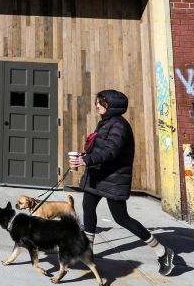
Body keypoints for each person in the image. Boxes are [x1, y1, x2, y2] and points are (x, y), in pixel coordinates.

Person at [69, 89, 175, 276]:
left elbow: (111, 152)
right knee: (88, 208)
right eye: (97, 102)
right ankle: (87, 252)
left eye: (101, 103)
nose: (97, 106)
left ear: (112, 105)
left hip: (113, 179)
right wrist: (84, 156)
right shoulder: (106, 123)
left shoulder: (119, 125)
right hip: (99, 176)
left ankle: (162, 251)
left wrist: (86, 160)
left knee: (121, 218)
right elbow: (100, 149)